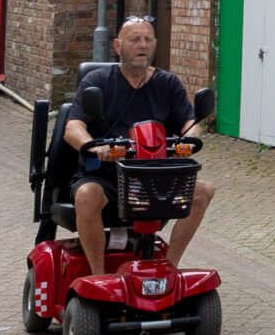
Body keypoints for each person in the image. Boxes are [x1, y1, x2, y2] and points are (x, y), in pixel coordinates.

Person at [60, 16, 215, 275]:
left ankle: (169, 268)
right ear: (118, 46)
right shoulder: (97, 81)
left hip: (154, 176)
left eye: (148, 39)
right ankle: (99, 277)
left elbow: (189, 120)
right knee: (87, 195)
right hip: (107, 176)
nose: (142, 45)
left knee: (203, 191)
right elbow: (72, 127)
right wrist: (95, 147)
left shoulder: (168, 83)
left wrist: (189, 140)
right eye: (134, 40)